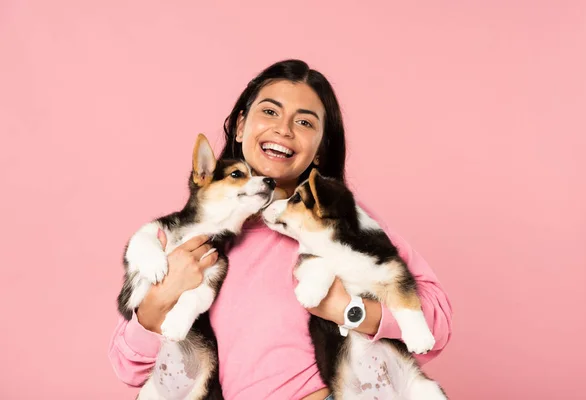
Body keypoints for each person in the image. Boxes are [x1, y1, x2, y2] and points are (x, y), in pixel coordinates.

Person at [108, 59, 453, 400]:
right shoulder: (188, 240)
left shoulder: (339, 220)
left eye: (304, 122)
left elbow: (436, 324)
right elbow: (129, 367)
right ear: (241, 126)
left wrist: (349, 308)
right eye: (270, 112)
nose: (284, 129)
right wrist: (161, 296)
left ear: (320, 151)